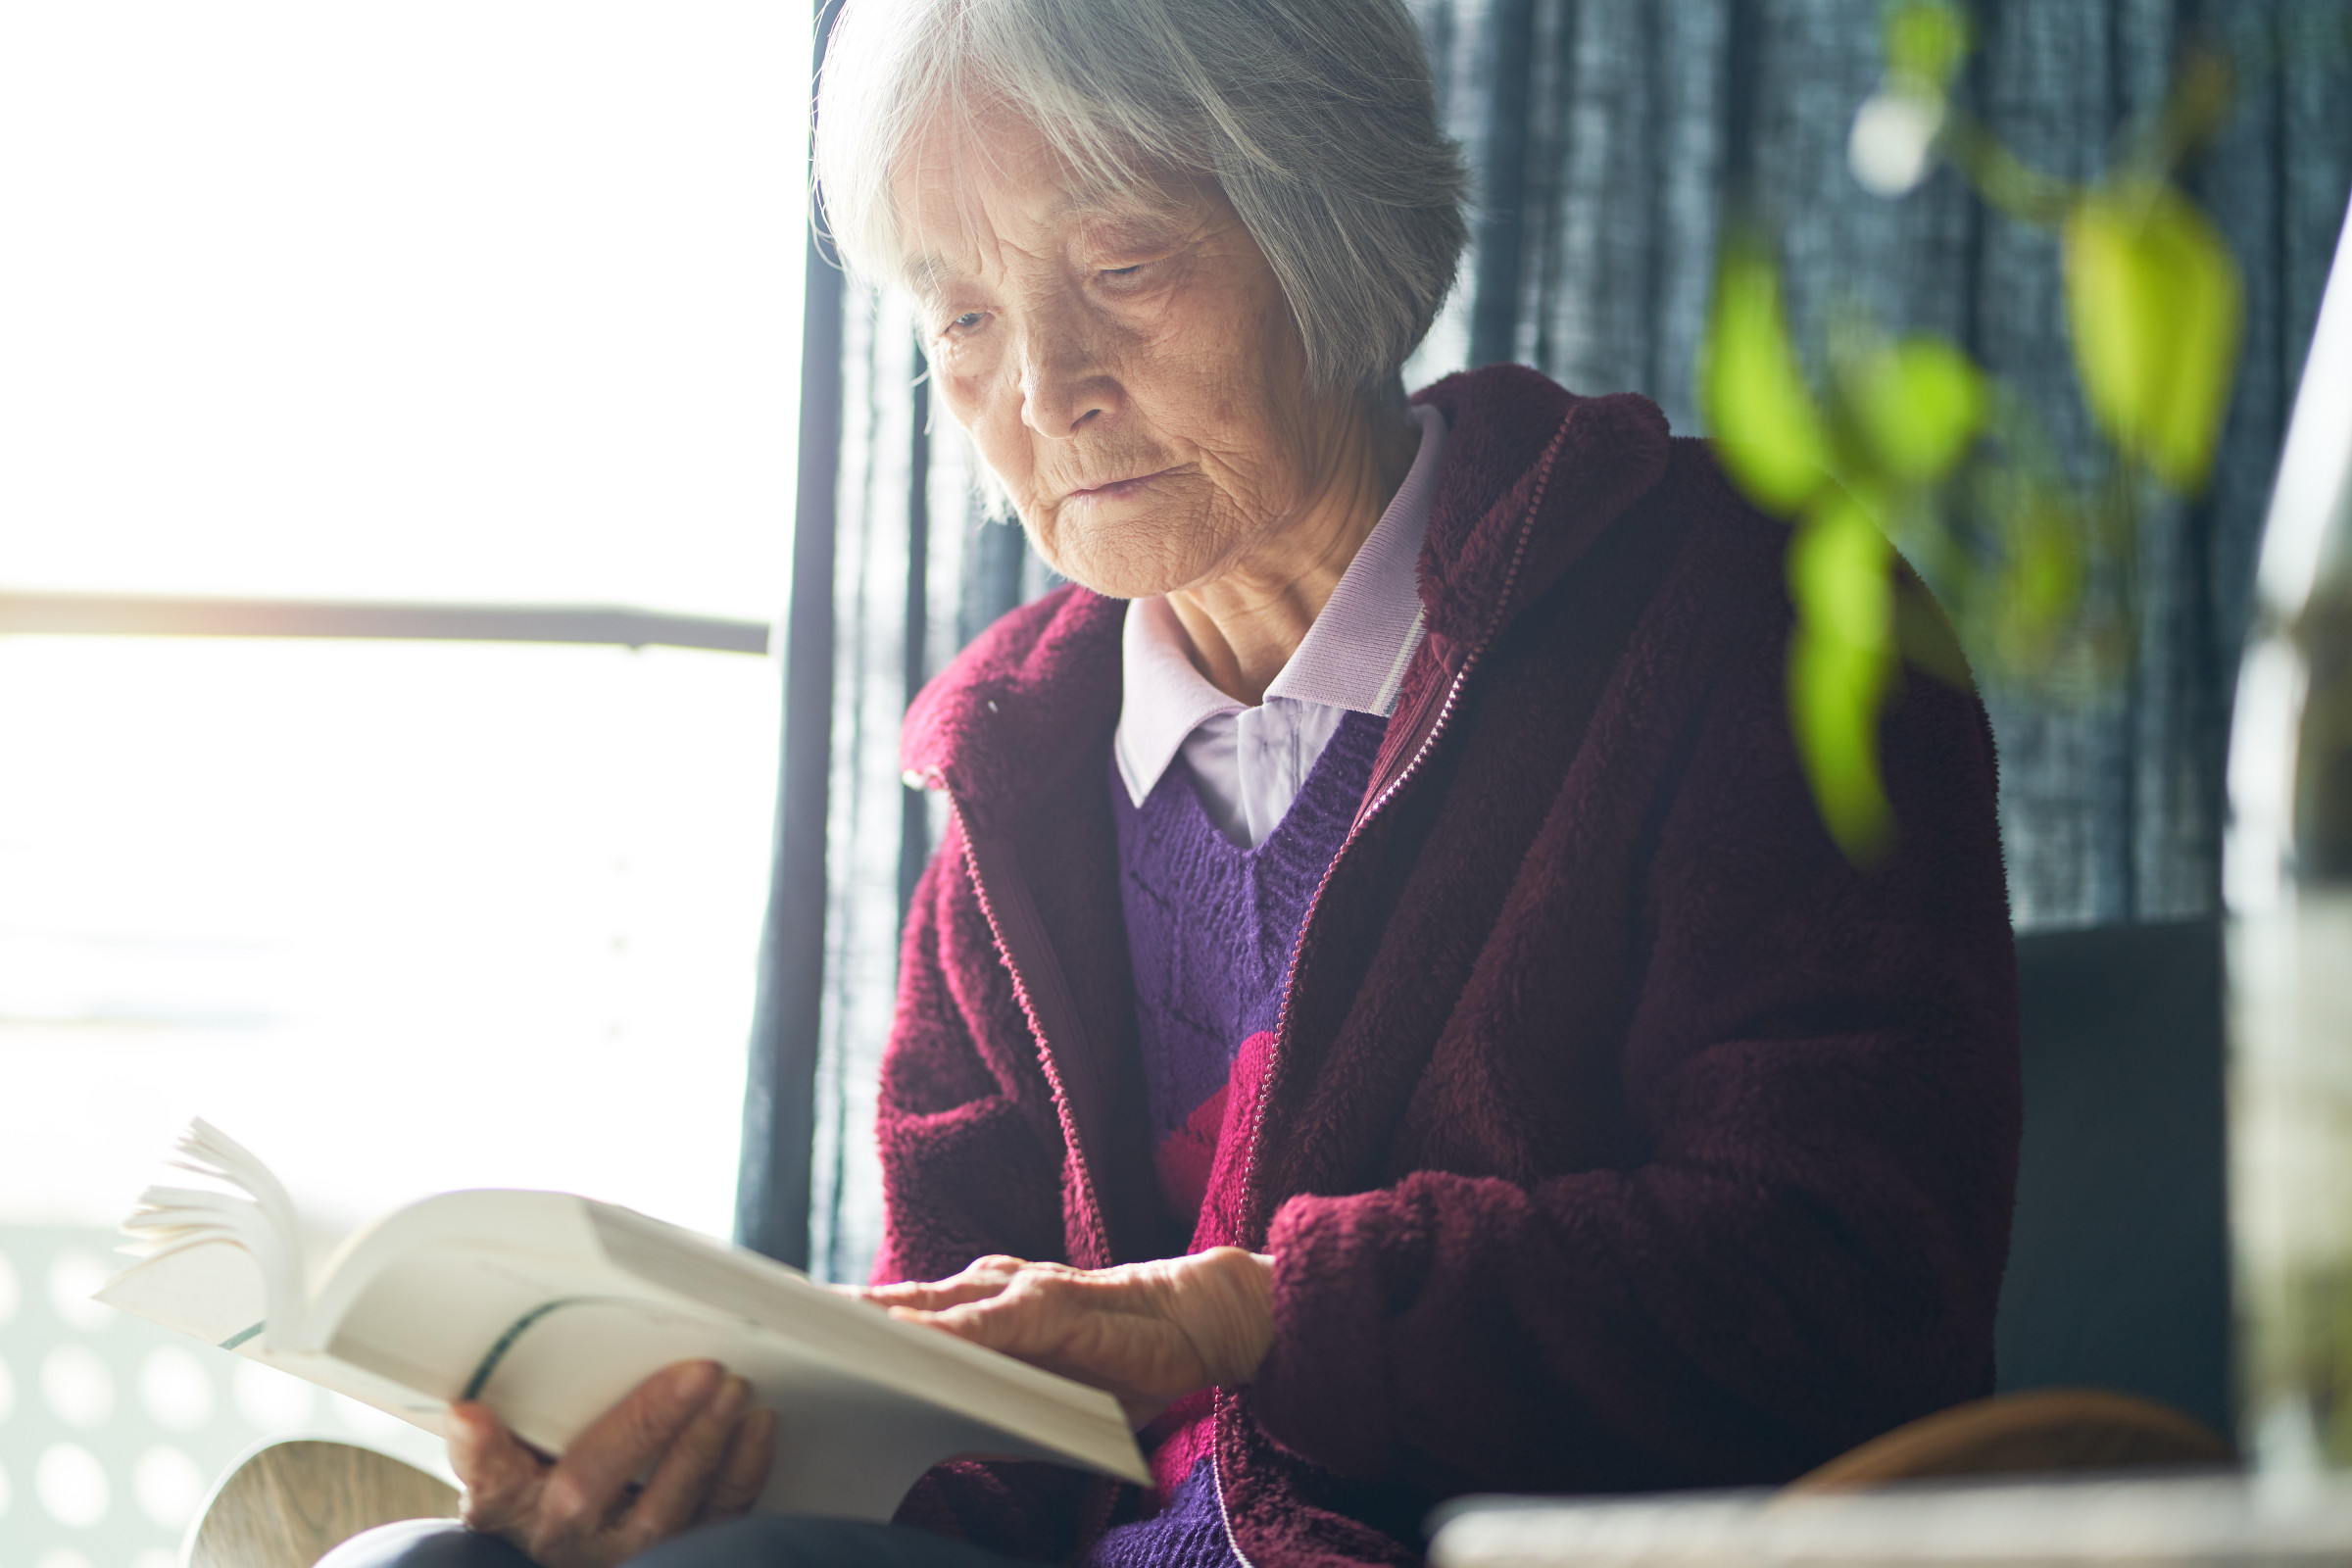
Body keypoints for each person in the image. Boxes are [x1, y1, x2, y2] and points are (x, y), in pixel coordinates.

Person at [328, 0, 2018, 1564]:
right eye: (968, 317)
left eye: (1125, 264)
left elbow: (1847, 1284)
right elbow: (970, 1440)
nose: (1046, 391)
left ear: (1331, 227)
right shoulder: (1015, 775)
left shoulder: (1727, 606)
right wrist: (687, 1459)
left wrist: (1247, 1316)